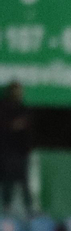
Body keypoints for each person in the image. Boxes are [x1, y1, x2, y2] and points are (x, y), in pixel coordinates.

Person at [0, 81, 32, 215]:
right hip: (6, 150)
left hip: (21, 151)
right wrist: (14, 125)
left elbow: (27, 128)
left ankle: (29, 208)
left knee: (24, 180)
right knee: (8, 180)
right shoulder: (3, 107)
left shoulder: (23, 108)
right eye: (16, 90)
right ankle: (6, 206)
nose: (18, 94)